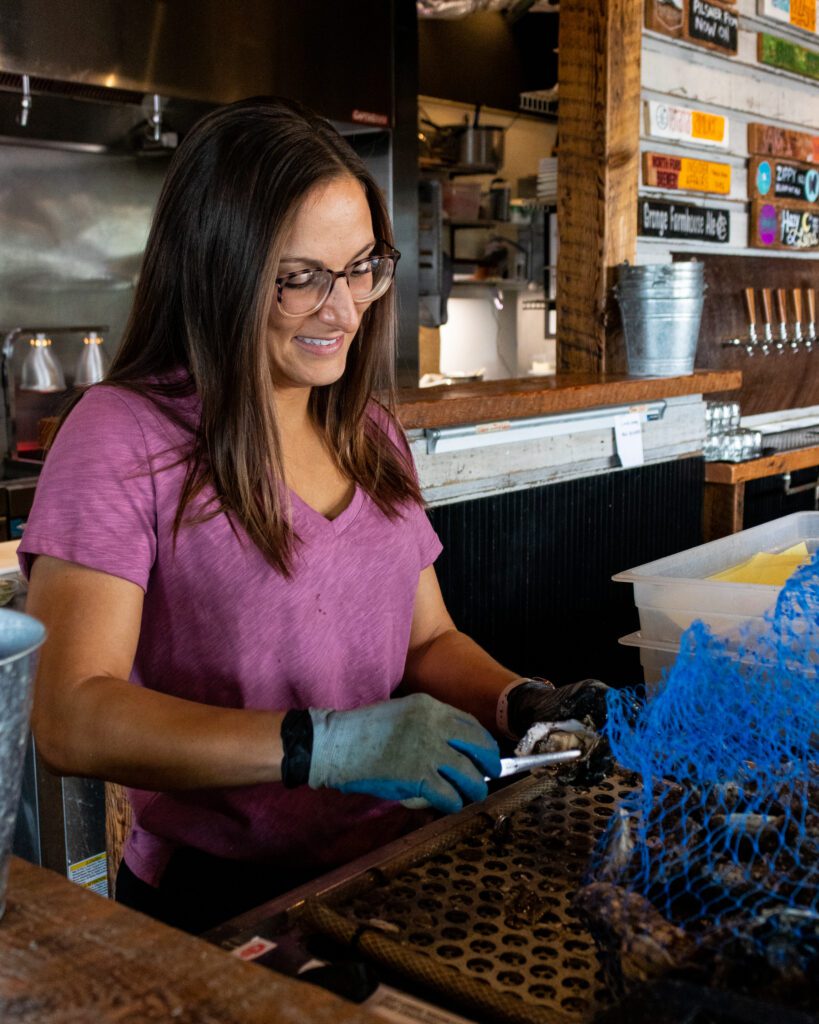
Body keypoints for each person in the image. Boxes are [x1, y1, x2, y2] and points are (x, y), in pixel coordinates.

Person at [21, 97, 609, 935]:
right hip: (225, 900)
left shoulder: (366, 428)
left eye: (364, 267)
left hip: (393, 868)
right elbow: (70, 714)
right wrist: (322, 748)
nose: (344, 309)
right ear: (215, 268)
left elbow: (426, 641)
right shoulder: (121, 435)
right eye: (301, 279)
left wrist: (519, 701)